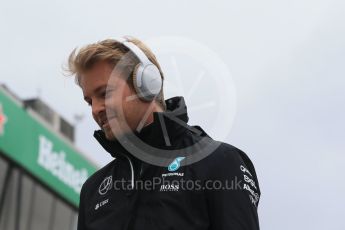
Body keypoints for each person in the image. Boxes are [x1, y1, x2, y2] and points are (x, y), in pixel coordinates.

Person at [66, 36, 261, 230]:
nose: (95, 109)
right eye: (89, 101)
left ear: (146, 85)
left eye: (105, 93)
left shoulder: (219, 161)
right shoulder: (93, 190)